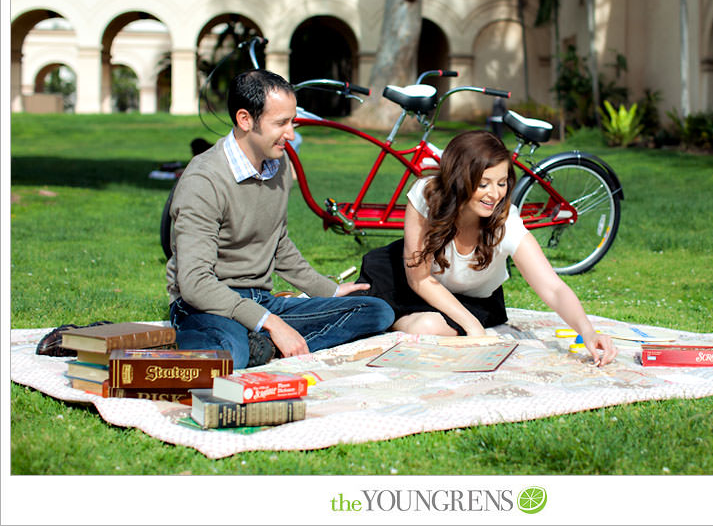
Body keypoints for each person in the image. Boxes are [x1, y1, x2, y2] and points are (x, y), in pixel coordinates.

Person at [165, 69, 394, 369]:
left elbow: (278, 242)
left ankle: (266, 347)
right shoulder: (204, 180)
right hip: (207, 304)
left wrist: (328, 290)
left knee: (377, 312)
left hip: (261, 300)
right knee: (226, 355)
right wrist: (270, 322)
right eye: (281, 123)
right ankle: (257, 343)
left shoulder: (279, 163)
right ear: (245, 119)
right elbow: (195, 284)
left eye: (293, 122)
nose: (292, 134)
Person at [355, 130, 617, 367]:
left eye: (501, 183)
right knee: (397, 319)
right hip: (407, 281)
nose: (494, 194)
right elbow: (419, 278)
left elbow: (553, 287)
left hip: (470, 299)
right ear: (459, 180)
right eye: (483, 184)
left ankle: (391, 319)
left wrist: (588, 331)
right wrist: (474, 328)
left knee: (428, 326)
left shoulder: (506, 222)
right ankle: (388, 316)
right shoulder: (426, 195)